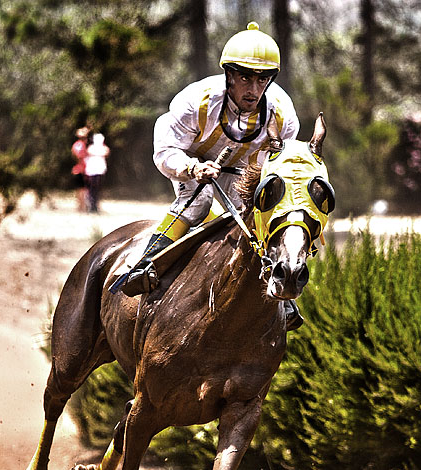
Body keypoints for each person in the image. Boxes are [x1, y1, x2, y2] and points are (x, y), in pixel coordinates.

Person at [121, 21, 302, 328]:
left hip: (246, 170)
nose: (254, 90)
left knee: (261, 216)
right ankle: (146, 262)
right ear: (229, 75)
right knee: (199, 202)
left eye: (263, 80)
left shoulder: (282, 113)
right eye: (245, 78)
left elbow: (280, 164)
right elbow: (165, 150)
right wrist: (192, 168)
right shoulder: (196, 101)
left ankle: (281, 294)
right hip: (193, 161)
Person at [85, 132, 110, 213]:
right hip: (92, 171)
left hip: (100, 171)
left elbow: (106, 152)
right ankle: (91, 206)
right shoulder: (91, 148)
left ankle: (95, 205)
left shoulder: (102, 148)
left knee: (97, 189)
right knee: (92, 189)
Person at [71, 126, 90, 212]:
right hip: (80, 170)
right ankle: (81, 206)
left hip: (81, 169)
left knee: (82, 189)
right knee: (81, 189)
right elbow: (78, 156)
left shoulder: (80, 144)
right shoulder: (79, 145)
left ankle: (82, 206)